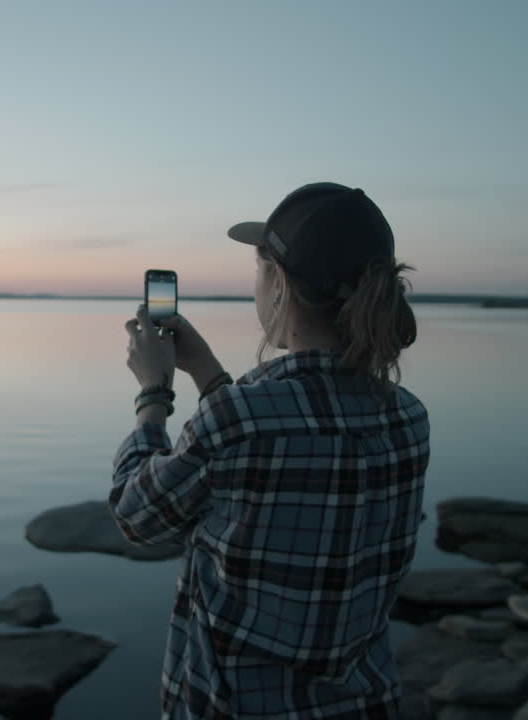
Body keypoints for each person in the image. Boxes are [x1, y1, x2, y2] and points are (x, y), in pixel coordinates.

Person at [111, 182, 429, 719]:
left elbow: (136, 515)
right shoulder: (407, 416)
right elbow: (264, 458)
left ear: (278, 284)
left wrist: (153, 394)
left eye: (259, 270)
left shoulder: (240, 420)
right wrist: (207, 371)